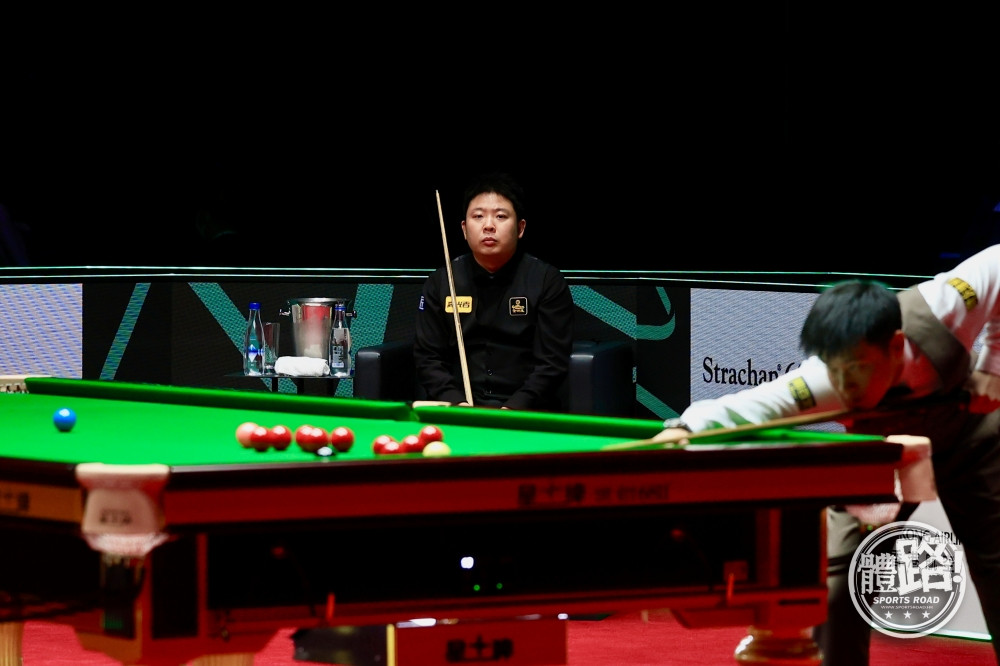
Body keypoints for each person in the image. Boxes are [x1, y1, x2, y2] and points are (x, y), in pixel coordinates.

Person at [653, 244, 1000, 665]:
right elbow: (749, 406)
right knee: (839, 588)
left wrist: (992, 365)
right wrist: (683, 429)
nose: (845, 385)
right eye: (834, 369)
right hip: (881, 457)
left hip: (972, 439)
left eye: (856, 368)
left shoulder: (944, 305)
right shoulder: (823, 381)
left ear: (895, 346)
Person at [413, 172, 574, 410]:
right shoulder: (441, 282)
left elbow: (552, 363)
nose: (489, 225)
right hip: (458, 410)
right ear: (464, 229)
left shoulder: (547, 281)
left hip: (527, 412)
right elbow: (428, 358)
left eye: (500, 216)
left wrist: (513, 409)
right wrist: (456, 403)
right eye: (478, 216)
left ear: (520, 228)